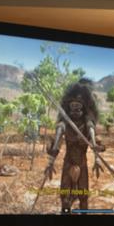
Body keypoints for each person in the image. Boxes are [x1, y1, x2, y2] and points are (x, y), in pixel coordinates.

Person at [45, 78, 105, 214]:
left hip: (82, 164)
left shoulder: (89, 126)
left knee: (84, 197)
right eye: (73, 106)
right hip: (68, 163)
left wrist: (97, 157)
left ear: (84, 107)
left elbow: (96, 144)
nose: (76, 109)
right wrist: (51, 162)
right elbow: (57, 143)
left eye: (79, 106)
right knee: (65, 198)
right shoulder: (63, 125)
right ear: (68, 107)